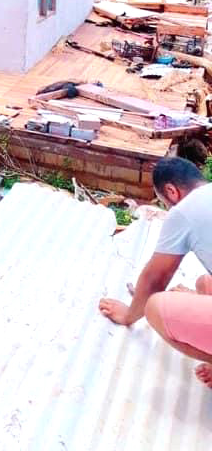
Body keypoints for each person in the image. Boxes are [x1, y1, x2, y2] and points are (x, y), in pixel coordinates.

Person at [99, 157, 212, 388]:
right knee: (204, 283)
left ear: (171, 191)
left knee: (154, 307)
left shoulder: (184, 211)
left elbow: (155, 278)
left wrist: (129, 315)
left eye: (165, 203)